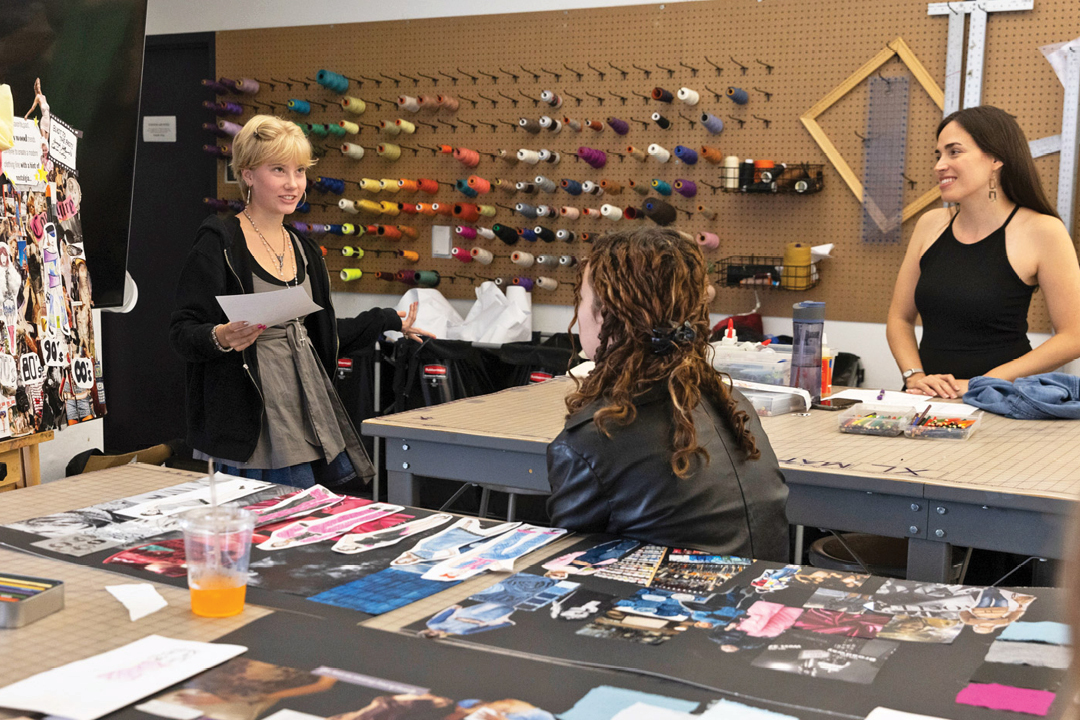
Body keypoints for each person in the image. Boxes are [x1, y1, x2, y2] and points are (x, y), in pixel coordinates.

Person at [170, 115, 431, 489]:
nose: (293, 184)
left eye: (299, 171)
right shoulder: (220, 242)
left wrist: (388, 319)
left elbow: (319, 334)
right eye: (278, 170)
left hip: (306, 412)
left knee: (302, 529)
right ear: (247, 174)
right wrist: (221, 336)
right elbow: (181, 332)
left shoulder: (305, 248)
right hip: (250, 422)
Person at [546, 227, 789, 561]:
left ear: (605, 316)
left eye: (582, 300)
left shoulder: (593, 441)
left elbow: (570, 566)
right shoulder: (729, 403)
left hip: (676, 608)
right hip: (760, 600)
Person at [887, 105, 1080, 398]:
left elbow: (1074, 336)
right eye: (938, 155)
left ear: (996, 158)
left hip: (1001, 402)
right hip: (928, 401)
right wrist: (914, 376)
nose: (939, 165)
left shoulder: (1043, 230)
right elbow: (900, 319)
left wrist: (984, 382)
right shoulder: (930, 224)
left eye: (954, 152)